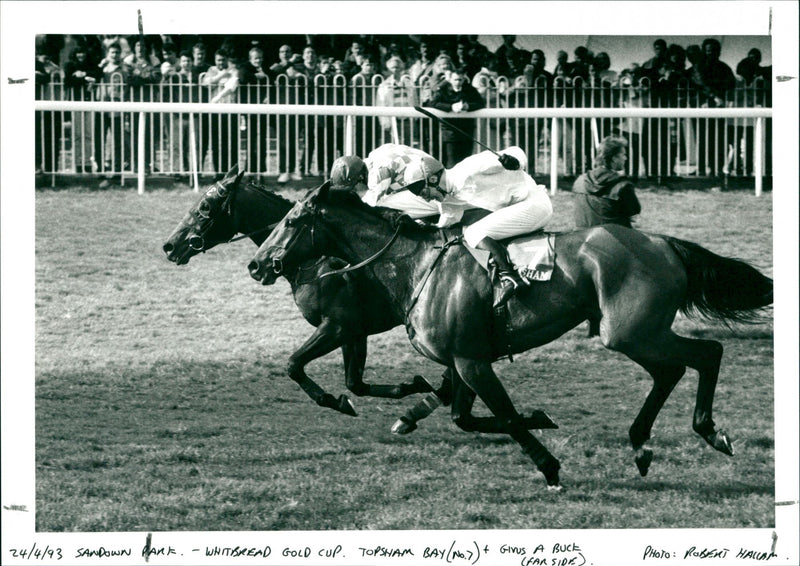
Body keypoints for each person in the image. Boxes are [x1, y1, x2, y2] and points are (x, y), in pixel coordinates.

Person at [360, 143, 552, 308]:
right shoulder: (449, 199)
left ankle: (511, 278)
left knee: (475, 232)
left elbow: (515, 151)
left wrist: (515, 161)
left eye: (422, 191)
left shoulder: (466, 169)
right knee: (468, 231)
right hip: (521, 205)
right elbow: (445, 222)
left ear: (433, 179)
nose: (424, 197)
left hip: (534, 203)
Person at [572, 135, 641, 336]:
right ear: (612, 158)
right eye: (623, 154)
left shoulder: (579, 181)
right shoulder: (622, 185)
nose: (626, 158)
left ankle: (594, 326)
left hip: (580, 243)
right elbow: (634, 210)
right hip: (614, 245)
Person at [424, 67, 486, 167]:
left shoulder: (469, 89)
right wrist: (450, 107)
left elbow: (481, 103)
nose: (458, 82)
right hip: (450, 132)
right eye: (455, 80)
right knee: (452, 163)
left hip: (467, 131)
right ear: (450, 80)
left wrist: (468, 106)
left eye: (460, 80)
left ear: (464, 80)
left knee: (466, 162)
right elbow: (433, 103)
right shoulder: (443, 90)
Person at [63, 42, 100, 173]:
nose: (81, 55)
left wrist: (82, 74)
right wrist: (86, 78)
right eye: (79, 52)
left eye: (83, 52)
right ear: (75, 54)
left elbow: (98, 74)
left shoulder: (91, 65)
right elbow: (68, 81)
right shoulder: (70, 65)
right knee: (77, 134)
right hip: (75, 102)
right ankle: (78, 163)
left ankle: (87, 162)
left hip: (90, 102)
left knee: (89, 134)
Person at [203, 49, 238, 178]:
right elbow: (206, 84)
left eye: (223, 60)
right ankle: (218, 172)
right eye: (218, 60)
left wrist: (217, 80)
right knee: (216, 143)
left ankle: (232, 174)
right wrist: (222, 75)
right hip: (216, 111)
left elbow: (232, 86)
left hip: (231, 110)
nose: (221, 63)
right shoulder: (211, 70)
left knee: (232, 142)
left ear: (227, 60)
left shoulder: (233, 70)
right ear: (215, 60)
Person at [376, 55, 417, 146]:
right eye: (393, 67)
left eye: (397, 67)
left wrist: (415, 116)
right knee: (393, 144)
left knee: (407, 145)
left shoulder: (409, 83)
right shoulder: (384, 85)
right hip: (393, 118)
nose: (395, 70)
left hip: (407, 118)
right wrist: (385, 121)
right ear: (389, 68)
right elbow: (380, 103)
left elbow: (414, 99)